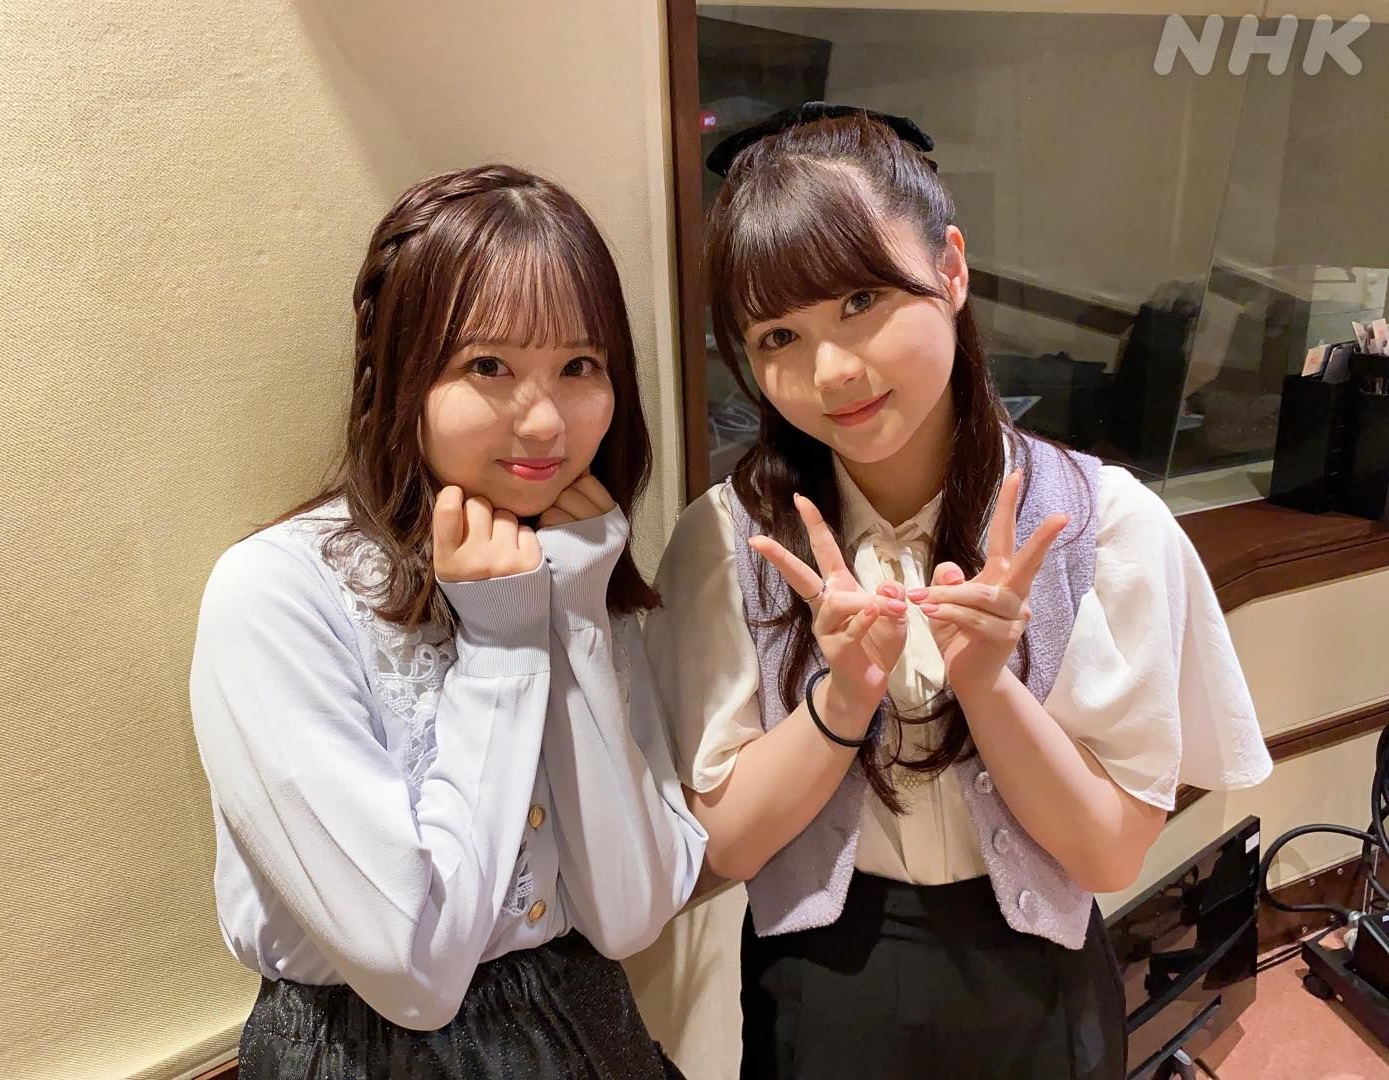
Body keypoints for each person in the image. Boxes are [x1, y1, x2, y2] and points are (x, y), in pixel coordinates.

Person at [646, 105, 1272, 1080]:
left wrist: (989, 686)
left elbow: (1109, 860)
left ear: (950, 269)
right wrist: (841, 701)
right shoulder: (728, 542)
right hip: (821, 983)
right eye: (778, 335)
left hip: (1038, 980)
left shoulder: (1103, 525)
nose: (830, 371)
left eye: (861, 300)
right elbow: (724, 844)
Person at [190, 165, 705, 1079]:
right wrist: (503, 644)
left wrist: (577, 617)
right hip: (363, 1052)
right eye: (488, 366)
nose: (545, 423)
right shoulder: (276, 594)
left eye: (580, 366)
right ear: (398, 375)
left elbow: (630, 913)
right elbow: (413, 972)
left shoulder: (575, 563)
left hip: (592, 1027)